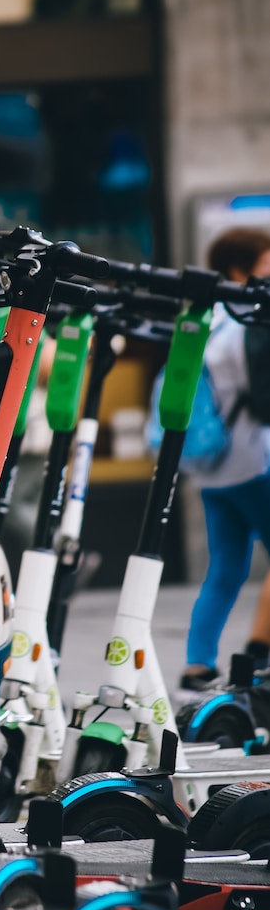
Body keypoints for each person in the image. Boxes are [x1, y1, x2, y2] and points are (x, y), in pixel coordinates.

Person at [179, 225, 270, 691]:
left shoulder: (201, 319)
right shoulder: (247, 323)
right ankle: (259, 654)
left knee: (226, 569)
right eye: (266, 265)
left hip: (210, 468)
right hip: (254, 462)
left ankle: (198, 663)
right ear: (239, 271)